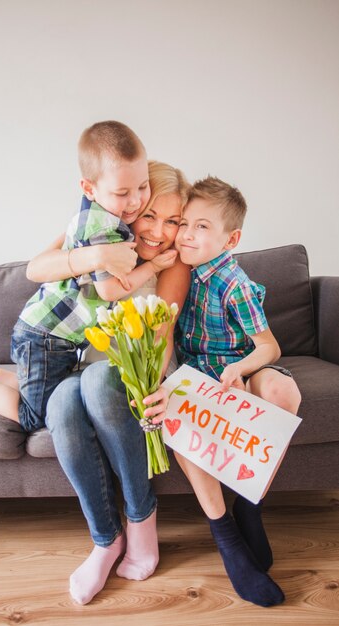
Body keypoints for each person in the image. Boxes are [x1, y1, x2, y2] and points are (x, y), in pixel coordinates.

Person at [0, 121, 175, 430]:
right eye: (123, 193)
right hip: (48, 336)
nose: (135, 202)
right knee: (36, 416)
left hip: (59, 339)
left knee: (50, 395)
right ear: (89, 188)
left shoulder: (110, 220)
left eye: (142, 188)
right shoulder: (102, 229)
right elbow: (47, 272)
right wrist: (144, 265)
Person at [26, 161, 191, 605]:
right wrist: (95, 256)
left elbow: (164, 332)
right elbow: (35, 268)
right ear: (132, 205)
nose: (159, 231)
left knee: (99, 380)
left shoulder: (172, 263)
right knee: (61, 401)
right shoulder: (100, 232)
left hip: (143, 371)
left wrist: (155, 385)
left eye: (173, 221)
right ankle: (105, 539)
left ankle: (142, 521)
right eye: (151, 214)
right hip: (91, 366)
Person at [171, 176, 302, 606]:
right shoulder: (177, 271)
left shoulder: (235, 283)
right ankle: (227, 538)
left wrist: (238, 369)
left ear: (232, 239)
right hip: (196, 375)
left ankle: (250, 503)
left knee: (283, 394)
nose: (187, 234)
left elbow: (269, 346)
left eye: (202, 226)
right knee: (181, 417)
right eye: (184, 223)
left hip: (239, 365)